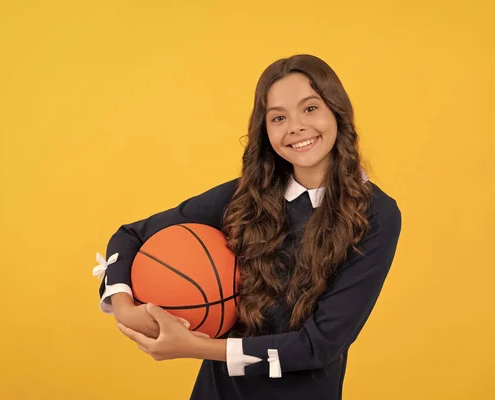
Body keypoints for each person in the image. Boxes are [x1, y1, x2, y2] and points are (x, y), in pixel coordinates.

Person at [94, 54, 402, 400]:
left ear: (337, 110)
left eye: (310, 108)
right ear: (265, 129)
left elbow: (318, 346)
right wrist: (123, 305)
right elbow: (131, 235)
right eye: (278, 117)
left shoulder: (376, 213)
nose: (296, 126)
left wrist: (197, 347)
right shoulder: (245, 195)